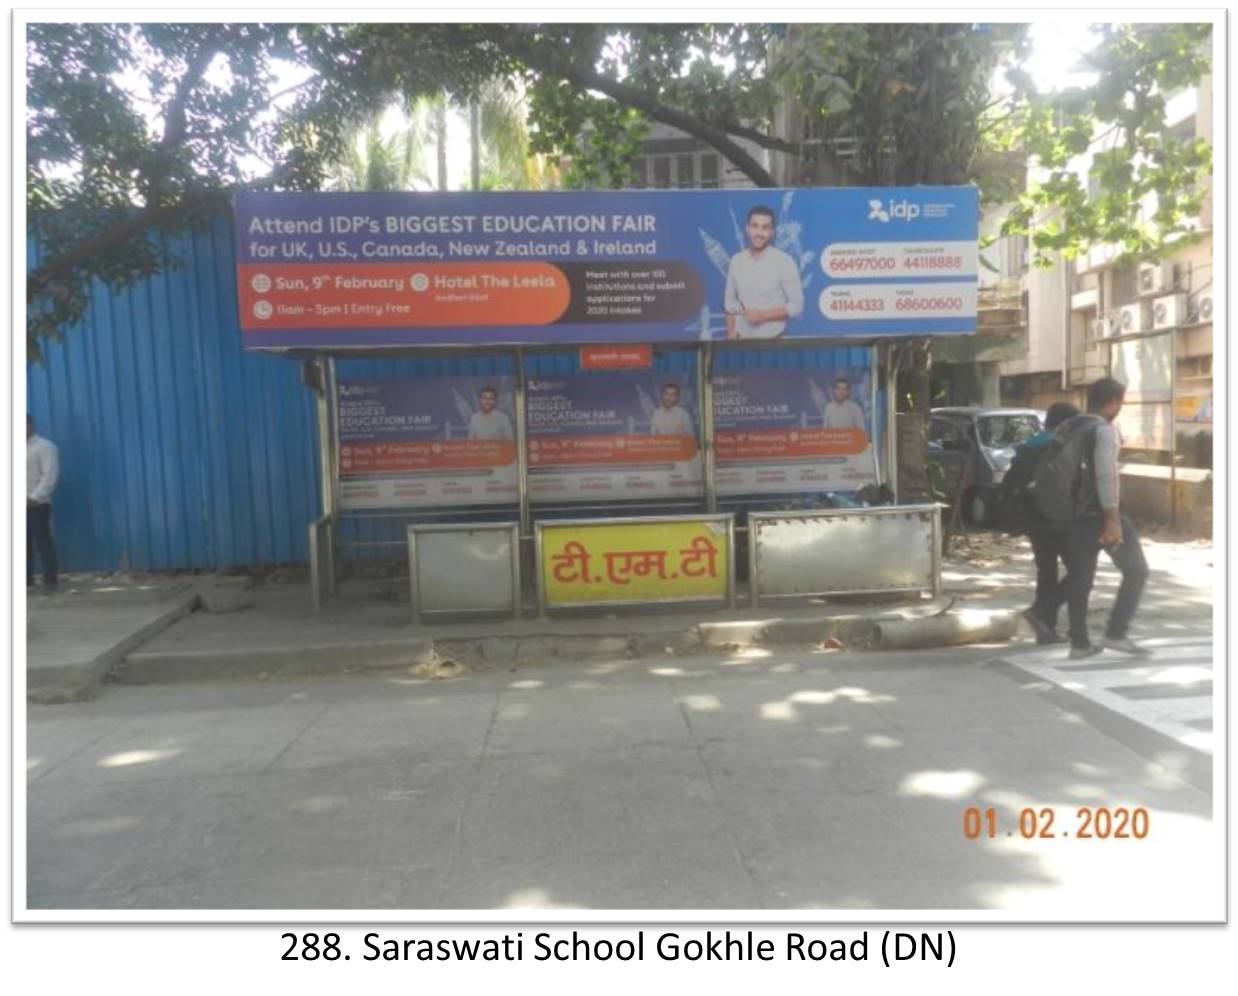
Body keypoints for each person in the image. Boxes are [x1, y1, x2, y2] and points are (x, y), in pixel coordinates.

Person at [1063, 378, 1150, 659]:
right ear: (1112, 402)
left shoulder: (1069, 426)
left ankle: (1079, 643)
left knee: (1080, 578)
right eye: (1120, 402)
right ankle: (1116, 632)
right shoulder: (1104, 430)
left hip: (1071, 513)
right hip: (1100, 513)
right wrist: (1112, 518)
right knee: (1136, 570)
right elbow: (1105, 475)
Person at [1007, 401, 1080, 644]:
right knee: (1081, 572)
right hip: (1060, 519)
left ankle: (1045, 629)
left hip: (1033, 519)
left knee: (1046, 571)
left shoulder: (1029, 446)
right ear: (1066, 424)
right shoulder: (1060, 445)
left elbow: (1010, 485)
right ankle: (1046, 615)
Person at [723, 205, 804, 340]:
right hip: (740, 342)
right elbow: (729, 301)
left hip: (774, 342)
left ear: (772, 232)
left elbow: (797, 305)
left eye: (765, 227)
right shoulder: (736, 261)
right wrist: (731, 332)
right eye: (755, 226)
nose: (759, 233)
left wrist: (763, 316)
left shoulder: (784, 262)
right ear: (747, 229)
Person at [27, 414, 60, 594]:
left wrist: (35, 497)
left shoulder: (45, 447)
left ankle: (50, 580)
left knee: (42, 542)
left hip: (37, 505)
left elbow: (50, 475)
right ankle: (26, 580)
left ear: (30, 425)